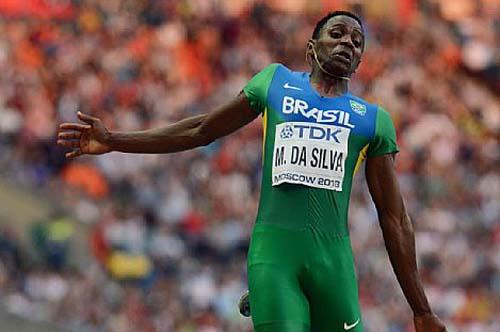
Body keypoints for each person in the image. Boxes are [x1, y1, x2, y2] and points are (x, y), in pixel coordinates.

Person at [57, 10, 447, 332]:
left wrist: (421, 309)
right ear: (312, 48)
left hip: (334, 265)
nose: (347, 42)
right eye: (337, 33)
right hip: (276, 255)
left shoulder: (373, 121)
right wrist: (115, 141)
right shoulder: (275, 83)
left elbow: (394, 219)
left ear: (360, 62)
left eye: (356, 42)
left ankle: (266, 299)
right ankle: (269, 294)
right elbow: (202, 129)